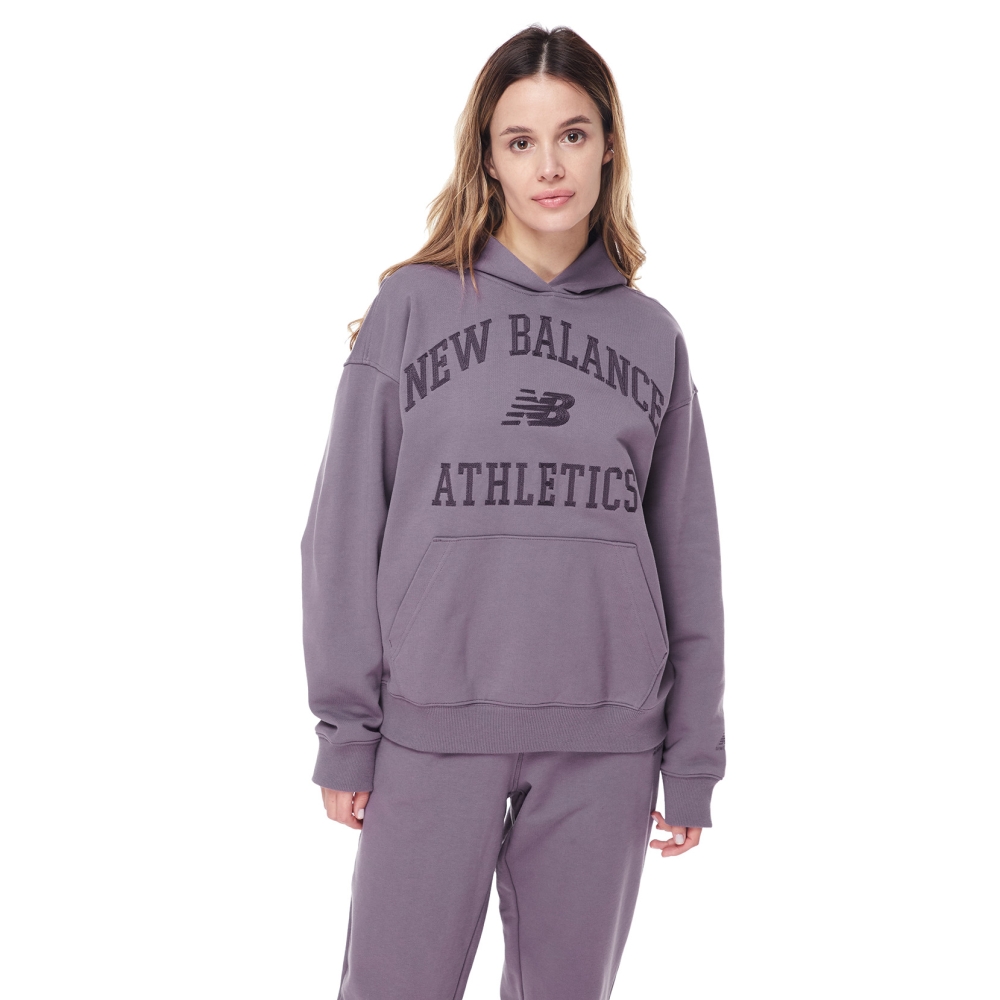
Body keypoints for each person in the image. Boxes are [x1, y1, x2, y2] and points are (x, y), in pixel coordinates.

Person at [299, 23, 727, 1000]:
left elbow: (687, 556)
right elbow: (341, 532)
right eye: (521, 141)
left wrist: (693, 756)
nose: (550, 166)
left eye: (573, 135)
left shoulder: (652, 336)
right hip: (431, 726)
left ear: (608, 145)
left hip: (608, 741)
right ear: (488, 159)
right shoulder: (412, 308)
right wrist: (346, 729)